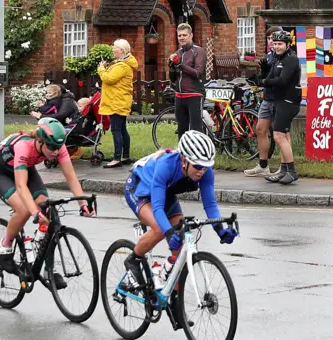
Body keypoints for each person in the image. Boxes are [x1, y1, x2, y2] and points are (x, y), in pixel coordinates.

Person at [0, 117, 95, 289]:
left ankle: (47, 268)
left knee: (49, 209)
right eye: (51, 147)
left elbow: (72, 178)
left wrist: (82, 204)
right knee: (23, 210)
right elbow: (21, 187)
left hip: (26, 170)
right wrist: (34, 212)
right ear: (39, 141)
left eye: (58, 147)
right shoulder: (24, 146)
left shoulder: (58, 148)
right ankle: (5, 251)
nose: (55, 151)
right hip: (2, 174)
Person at [122, 130, 237, 290]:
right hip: (139, 189)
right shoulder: (166, 165)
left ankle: (172, 298)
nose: (202, 170)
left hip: (165, 192)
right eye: (197, 166)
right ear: (184, 160)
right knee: (160, 229)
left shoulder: (205, 172)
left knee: (179, 251)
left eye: (206, 166)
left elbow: (210, 204)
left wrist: (220, 230)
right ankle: (133, 259)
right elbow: (157, 207)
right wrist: (169, 232)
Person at [244, 26, 291, 177]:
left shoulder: (286, 57)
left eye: (274, 39)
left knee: (283, 133)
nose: (271, 42)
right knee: (260, 129)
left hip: (281, 100)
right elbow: (263, 78)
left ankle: (285, 167)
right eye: (269, 39)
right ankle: (263, 165)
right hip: (268, 98)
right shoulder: (269, 56)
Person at [262, 30, 302, 185]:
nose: (277, 47)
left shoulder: (291, 59)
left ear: (288, 44)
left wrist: (265, 82)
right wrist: (262, 77)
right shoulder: (278, 58)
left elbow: (282, 80)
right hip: (279, 101)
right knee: (283, 136)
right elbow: (270, 77)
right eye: (275, 43)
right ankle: (284, 170)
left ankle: (291, 171)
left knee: (279, 136)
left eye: (280, 44)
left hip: (289, 101)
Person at [98, 38, 138, 168]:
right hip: (119, 100)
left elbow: (108, 79)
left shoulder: (122, 66)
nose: (112, 49)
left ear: (121, 50)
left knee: (116, 130)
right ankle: (125, 156)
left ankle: (117, 158)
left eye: (114, 47)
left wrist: (101, 69)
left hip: (117, 102)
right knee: (122, 129)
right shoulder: (121, 63)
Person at [168, 23, 206, 138]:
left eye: (185, 35)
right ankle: (182, 154)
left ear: (191, 35)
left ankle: (198, 154)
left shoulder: (198, 51)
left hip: (194, 94)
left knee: (195, 129)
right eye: (179, 35)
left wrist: (181, 65)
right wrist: (171, 67)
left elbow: (198, 73)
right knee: (181, 129)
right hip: (180, 96)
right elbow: (173, 78)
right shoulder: (178, 52)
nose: (182, 38)